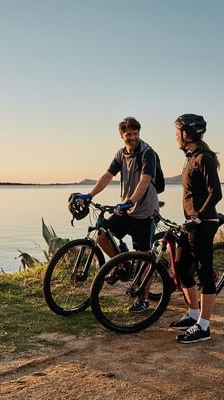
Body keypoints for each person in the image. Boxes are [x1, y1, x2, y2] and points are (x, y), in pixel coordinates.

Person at [71, 116, 159, 313]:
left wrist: (130, 201)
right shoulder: (121, 154)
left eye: (136, 134)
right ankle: (122, 265)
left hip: (144, 210)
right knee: (102, 236)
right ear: (121, 136)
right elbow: (107, 175)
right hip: (126, 208)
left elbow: (145, 181)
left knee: (144, 256)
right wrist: (89, 194)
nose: (133, 137)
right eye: (129, 134)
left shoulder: (147, 153)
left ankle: (143, 299)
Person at [170, 113, 222, 344]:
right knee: (181, 268)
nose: (175, 137)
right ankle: (192, 313)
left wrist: (198, 217)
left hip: (203, 223)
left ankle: (204, 326)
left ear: (186, 134)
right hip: (190, 223)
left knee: (204, 272)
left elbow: (216, 192)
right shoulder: (190, 157)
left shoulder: (204, 158)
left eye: (176, 133)